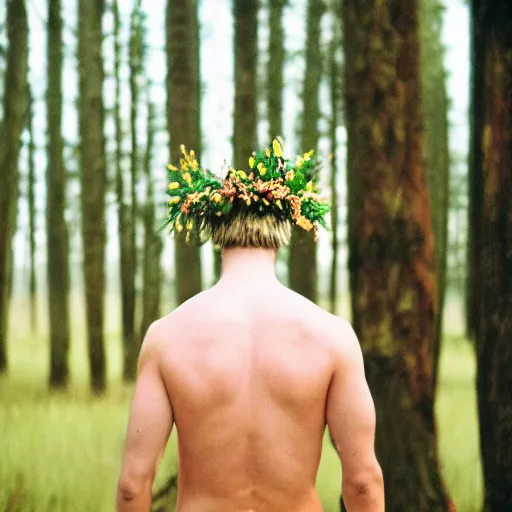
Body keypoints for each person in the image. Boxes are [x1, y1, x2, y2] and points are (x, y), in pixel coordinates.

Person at [117, 141, 384, 512]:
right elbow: (362, 481)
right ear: (284, 229)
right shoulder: (333, 337)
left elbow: (133, 485)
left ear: (215, 232)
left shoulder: (166, 337)